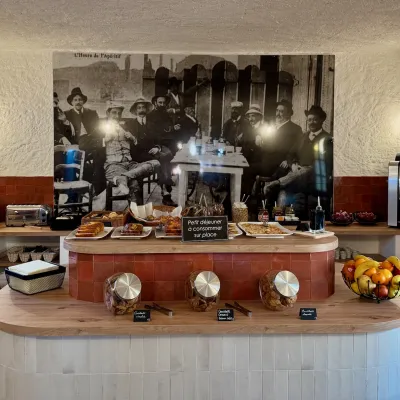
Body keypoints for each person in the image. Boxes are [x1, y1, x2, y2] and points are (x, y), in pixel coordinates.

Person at [263, 105, 333, 217]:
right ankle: (279, 220)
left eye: (315, 119)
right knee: (283, 192)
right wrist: (293, 165)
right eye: (309, 120)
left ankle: (278, 182)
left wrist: (302, 170)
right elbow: (290, 154)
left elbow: (325, 163)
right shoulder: (303, 137)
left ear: (321, 120)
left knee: (306, 170)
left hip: (315, 177)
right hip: (298, 177)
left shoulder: (327, 139)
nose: (311, 122)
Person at [102, 101, 160, 205]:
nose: (117, 116)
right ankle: (136, 212)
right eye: (114, 113)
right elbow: (86, 144)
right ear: (108, 113)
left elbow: (141, 146)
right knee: (134, 184)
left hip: (130, 164)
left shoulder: (126, 127)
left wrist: (133, 139)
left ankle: (125, 177)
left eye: (119, 113)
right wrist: (104, 140)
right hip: (114, 165)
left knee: (156, 163)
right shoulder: (101, 128)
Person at [146, 94, 181, 206]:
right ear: (155, 103)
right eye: (160, 102)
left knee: (176, 156)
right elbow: (154, 133)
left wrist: (174, 129)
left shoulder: (166, 114)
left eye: (163, 103)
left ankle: (166, 182)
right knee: (165, 158)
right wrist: (171, 129)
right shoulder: (150, 116)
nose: (162, 104)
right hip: (155, 144)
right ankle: (166, 192)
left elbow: (170, 130)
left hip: (169, 144)